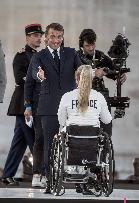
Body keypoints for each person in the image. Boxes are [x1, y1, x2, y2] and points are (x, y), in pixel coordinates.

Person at [30, 22, 82, 193]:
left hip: (70, 108)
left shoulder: (71, 53)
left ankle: (77, 177)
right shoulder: (39, 56)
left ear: (62, 37)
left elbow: (81, 70)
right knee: (49, 144)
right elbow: (35, 72)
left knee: (74, 142)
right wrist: (39, 74)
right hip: (49, 107)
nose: (56, 40)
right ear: (46, 37)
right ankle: (49, 178)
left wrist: (83, 74)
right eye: (52, 36)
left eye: (59, 37)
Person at [58, 65, 112, 194]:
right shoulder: (99, 96)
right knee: (102, 137)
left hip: (72, 137)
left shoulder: (67, 96)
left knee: (63, 133)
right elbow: (107, 120)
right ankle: (93, 174)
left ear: (76, 78)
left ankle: (77, 177)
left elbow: (61, 121)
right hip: (92, 138)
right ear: (92, 79)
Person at [2, 24, 44, 185]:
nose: (39, 38)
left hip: (33, 103)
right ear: (27, 37)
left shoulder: (40, 56)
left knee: (19, 141)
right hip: (23, 106)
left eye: (40, 35)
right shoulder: (21, 56)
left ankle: (7, 175)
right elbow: (20, 79)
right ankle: (42, 174)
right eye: (35, 35)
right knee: (34, 140)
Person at [77, 29, 127, 136]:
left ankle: (105, 142)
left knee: (106, 126)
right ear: (82, 45)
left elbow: (114, 71)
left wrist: (120, 74)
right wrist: (94, 73)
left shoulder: (101, 56)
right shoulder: (75, 57)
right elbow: (73, 74)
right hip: (82, 96)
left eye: (93, 44)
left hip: (100, 95)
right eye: (87, 45)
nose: (91, 48)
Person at [24, 38, 46, 188]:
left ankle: (48, 174)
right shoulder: (38, 57)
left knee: (54, 140)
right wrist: (28, 106)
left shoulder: (67, 58)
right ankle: (37, 174)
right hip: (40, 105)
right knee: (40, 138)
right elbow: (29, 83)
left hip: (59, 105)